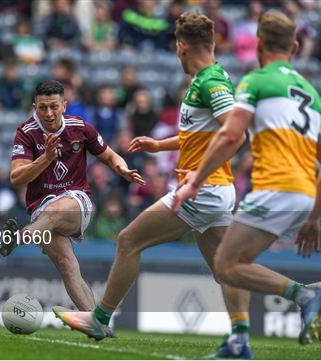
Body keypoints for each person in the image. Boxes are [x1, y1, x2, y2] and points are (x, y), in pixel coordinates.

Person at [53, 13, 254, 358]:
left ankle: (99, 319)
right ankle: (279, 311)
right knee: (226, 268)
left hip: (203, 190)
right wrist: (160, 146)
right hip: (213, 190)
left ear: (182, 46)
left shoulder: (210, 81)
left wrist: (199, 177)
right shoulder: (207, 79)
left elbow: (238, 134)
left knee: (129, 240)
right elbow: (203, 135)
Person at [174, 11, 321, 346]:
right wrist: (316, 217)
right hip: (306, 195)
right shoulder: (312, 93)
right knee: (232, 262)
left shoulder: (256, 81)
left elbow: (231, 136)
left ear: (259, 44)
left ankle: (306, 296)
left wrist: (194, 180)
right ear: (294, 45)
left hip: (276, 188)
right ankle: (240, 344)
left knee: (226, 266)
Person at [0, 79, 144, 311]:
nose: (49, 113)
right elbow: (16, 178)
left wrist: (122, 169)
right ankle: (95, 323)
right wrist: (45, 158)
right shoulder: (26, 133)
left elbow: (111, 156)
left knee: (54, 212)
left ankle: (20, 236)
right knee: (67, 266)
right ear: (35, 107)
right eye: (43, 107)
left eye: (54, 106)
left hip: (77, 201)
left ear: (64, 105)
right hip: (40, 208)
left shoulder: (81, 128)